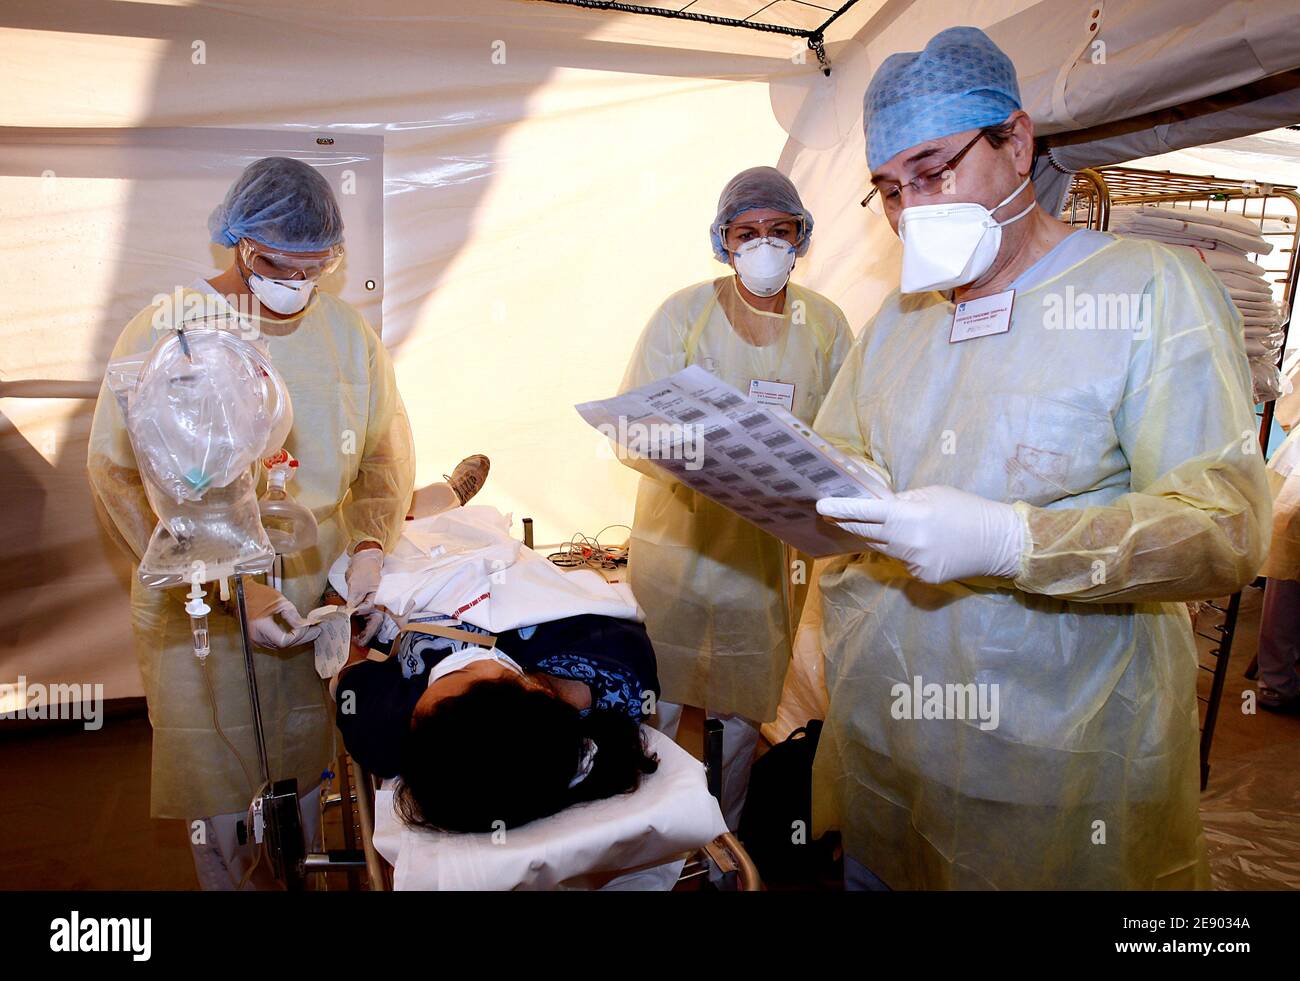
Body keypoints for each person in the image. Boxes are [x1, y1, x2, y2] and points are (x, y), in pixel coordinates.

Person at [811, 27, 1270, 890]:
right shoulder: (899, 325)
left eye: (935, 168)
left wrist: (1014, 542)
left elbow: (1224, 527)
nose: (912, 209)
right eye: (889, 190)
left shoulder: (1147, 291)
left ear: (1017, 143)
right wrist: (838, 483)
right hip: (892, 732)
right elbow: (837, 446)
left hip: (1056, 760)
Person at [88, 156, 416, 889]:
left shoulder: (346, 336)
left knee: (303, 761)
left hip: (311, 590)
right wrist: (228, 580)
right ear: (240, 243)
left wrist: (367, 544)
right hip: (196, 609)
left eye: (316, 266)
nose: (297, 283)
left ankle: (301, 869)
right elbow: (117, 473)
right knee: (219, 784)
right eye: (279, 264)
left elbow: (383, 456)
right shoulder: (172, 329)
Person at [618, 167, 852, 829]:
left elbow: (846, 432)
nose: (764, 246)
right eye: (747, 233)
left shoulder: (826, 325)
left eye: (779, 231)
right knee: (656, 708)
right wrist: (699, 457)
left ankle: (726, 855)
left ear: (801, 237)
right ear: (723, 242)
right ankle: (651, 845)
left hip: (767, 566)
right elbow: (633, 427)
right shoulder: (683, 315)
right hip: (677, 552)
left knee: (742, 716)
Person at [333, 613, 661, 831]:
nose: (443, 669)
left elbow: (347, 656)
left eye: (457, 669)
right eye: (465, 669)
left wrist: (341, 610)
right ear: (534, 689)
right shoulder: (618, 662)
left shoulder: (398, 734)